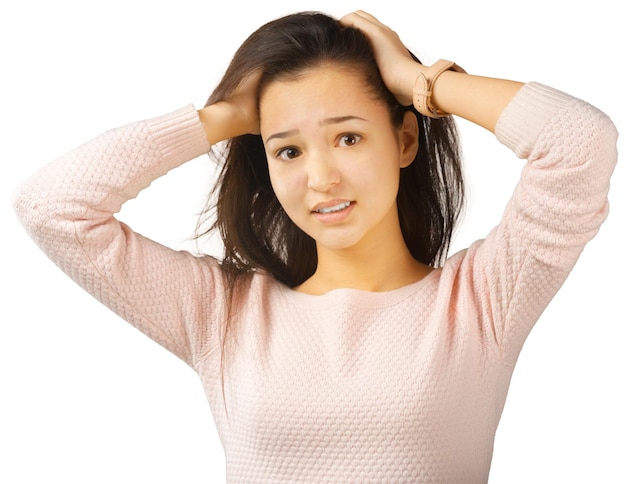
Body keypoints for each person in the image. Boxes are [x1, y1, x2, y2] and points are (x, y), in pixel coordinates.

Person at [12, 9, 617, 483]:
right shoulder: (224, 314)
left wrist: (420, 81)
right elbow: (50, 206)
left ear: (405, 141)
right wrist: (222, 116)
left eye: (348, 137)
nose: (320, 177)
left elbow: (579, 142)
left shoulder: (481, 301)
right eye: (288, 151)